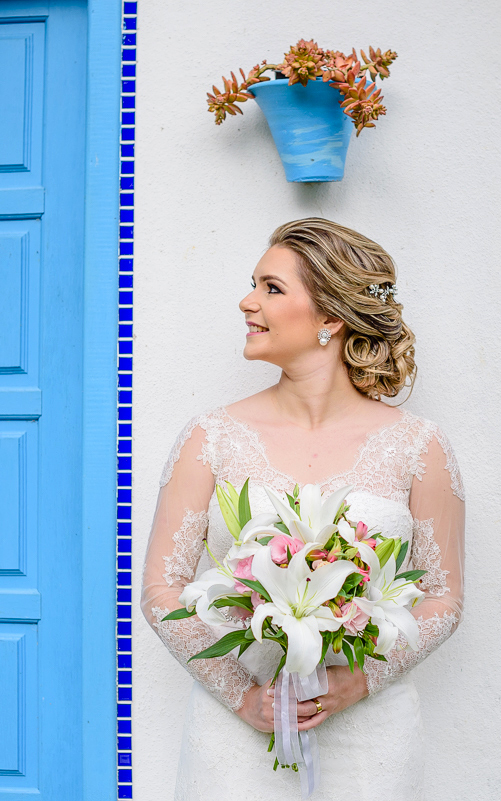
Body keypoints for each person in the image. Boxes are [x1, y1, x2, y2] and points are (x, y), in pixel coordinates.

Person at [140, 218, 465, 800]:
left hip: (371, 734)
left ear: (331, 317)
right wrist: (242, 695)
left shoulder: (419, 448)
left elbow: (443, 598)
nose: (247, 301)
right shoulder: (210, 438)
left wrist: (357, 683)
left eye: (271, 288)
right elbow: (162, 591)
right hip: (233, 732)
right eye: (254, 285)